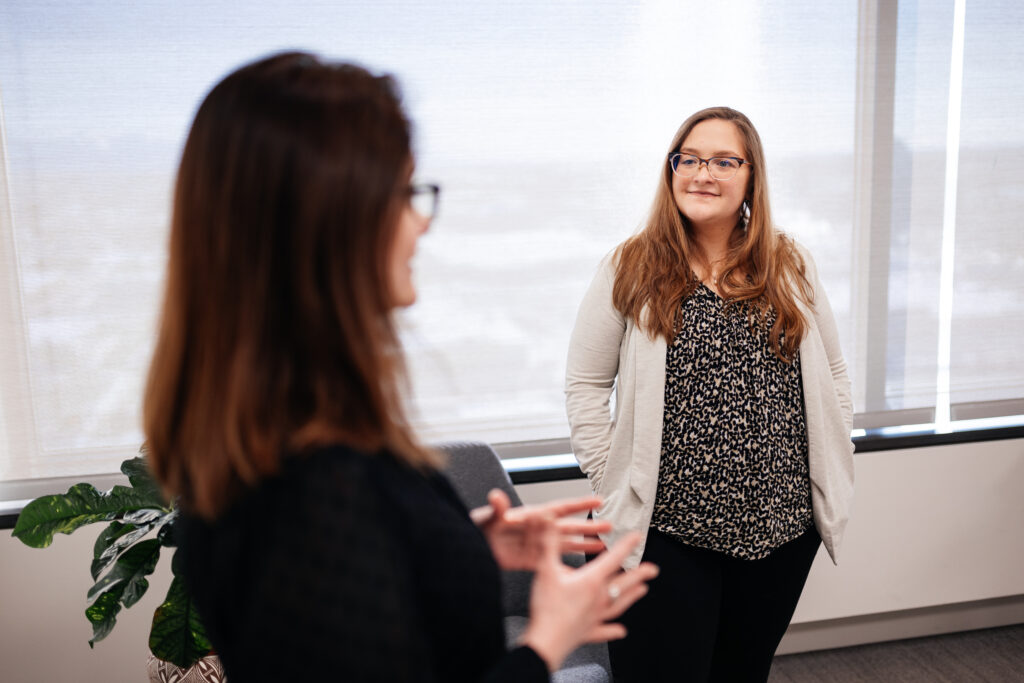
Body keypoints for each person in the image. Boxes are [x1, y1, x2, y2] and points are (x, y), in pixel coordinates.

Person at [143, 51, 658, 682]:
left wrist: (458, 548)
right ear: (326, 221)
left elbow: (356, 613)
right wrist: (547, 641)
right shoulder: (313, 487)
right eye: (403, 193)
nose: (421, 222)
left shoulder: (285, 435)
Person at [565, 106, 854, 682]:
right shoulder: (632, 265)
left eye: (724, 161)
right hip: (667, 533)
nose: (704, 173)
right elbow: (585, 386)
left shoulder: (789, 263)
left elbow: (835, 375)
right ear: (671, 170)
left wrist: (830, 452)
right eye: (690, 159)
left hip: (780, 529)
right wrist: (612, 478)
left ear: (752, 176)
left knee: (741, 674)